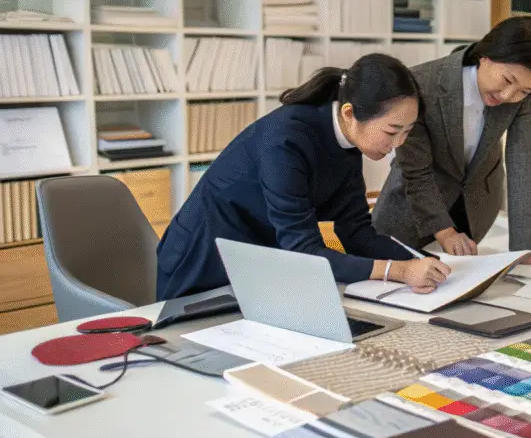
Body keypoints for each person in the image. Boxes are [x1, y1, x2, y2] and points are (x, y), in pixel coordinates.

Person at [156, 54, 451, 301]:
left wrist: (426, 262)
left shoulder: (347, 142)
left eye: (407, 131)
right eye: (391, 131)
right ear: (349, 113)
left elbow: (356, 233)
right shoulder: (287, 139)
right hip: (204, 261)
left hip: (254, 261)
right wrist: (397, 271)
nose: (398, 143)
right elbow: (303, 250)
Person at [372, 17, 531, 265]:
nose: (508, 95)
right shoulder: (420, 84)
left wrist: (523, 252)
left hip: (473, 214)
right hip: (409, 214)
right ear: (486, 55)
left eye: (524, 91)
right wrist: (445, 232)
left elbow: (523, 167)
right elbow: (417, 171)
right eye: (507, 80)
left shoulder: (522, 98)